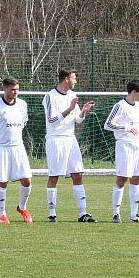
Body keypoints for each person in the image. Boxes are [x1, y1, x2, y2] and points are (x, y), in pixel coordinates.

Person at [43, 68, 96, 222]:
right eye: (74, 78)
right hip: (56, 140)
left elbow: (77, 119)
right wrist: (69, 109)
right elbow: (52, 120)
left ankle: (83, 213)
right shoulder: (50, 96)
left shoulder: (72, 95)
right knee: (54, 176)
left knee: (77, 174)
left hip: (71, 139)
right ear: (66, 79)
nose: (76, 81)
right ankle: (52, 213)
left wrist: (83, 111)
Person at [0, 77, 33, 224]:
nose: (15, 92)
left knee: (27, 180)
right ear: (5, 89)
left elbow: (23, 123)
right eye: (12, 89)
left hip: (18, 147)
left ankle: (22, 208)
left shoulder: (23, 105)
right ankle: (2, 213)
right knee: (2, 181)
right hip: (1, 148)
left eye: (17, 89)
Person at [104, 81, 139, 222]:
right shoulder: (120, 106)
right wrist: (126, 128)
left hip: (138, 145)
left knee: (136, 178)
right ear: (133, 92)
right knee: (122, 179)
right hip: (124, 145)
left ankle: (134, 215)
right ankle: (116, 214)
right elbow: (108, 125)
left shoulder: (138, 105)